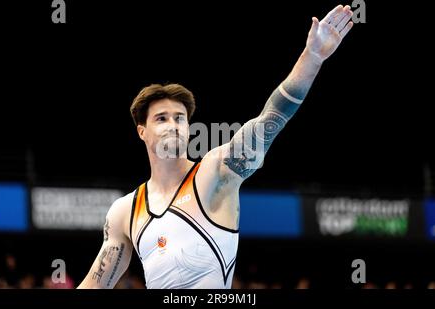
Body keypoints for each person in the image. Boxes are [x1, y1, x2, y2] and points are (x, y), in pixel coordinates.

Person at [78, 4, 354, 289]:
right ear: (142, 132)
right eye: (161, 118)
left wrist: (312, 57)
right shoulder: (124, 211)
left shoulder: (215, 173)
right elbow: (95, 285)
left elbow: (272, 118)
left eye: (180, 118)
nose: (173, 124)